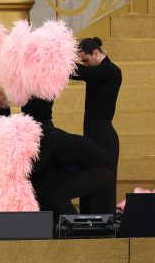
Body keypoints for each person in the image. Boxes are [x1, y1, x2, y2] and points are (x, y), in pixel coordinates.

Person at [21, 97, 117, 220]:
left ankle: (78, 232)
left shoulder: (49, 138)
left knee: (58, 195)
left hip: (101, 167)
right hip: (85, 166)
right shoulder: (46, 137)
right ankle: (68, 230)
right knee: (53, 194)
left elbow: (35, 168)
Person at [69, 37, 122, 214]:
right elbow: (79, 73)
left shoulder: (111, 71)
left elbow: (83, 73)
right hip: (92, 132)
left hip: (103, 134)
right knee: (89, 176)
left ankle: (102, 220)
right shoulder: (98, 71)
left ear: (96, 53)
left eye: (86, 60)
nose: (85, 64)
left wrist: (60, 59)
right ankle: (89, 218)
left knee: (102, 179)